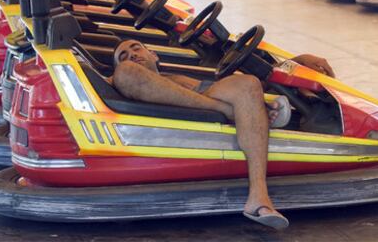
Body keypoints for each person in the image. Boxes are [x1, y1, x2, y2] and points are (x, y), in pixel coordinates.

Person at [111, 39, 334, 230]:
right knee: (127, 71)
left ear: (154, 54)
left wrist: (296, 61)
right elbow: (121, 77)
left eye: (136, 48)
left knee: (249, 83)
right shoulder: (126, 75)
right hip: (201, 109)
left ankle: (250, 111)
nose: (132, 55)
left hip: (213, 93)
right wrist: (227, 109)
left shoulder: (175, 77)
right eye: (124, 55)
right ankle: (259, 190)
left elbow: (225, 84)